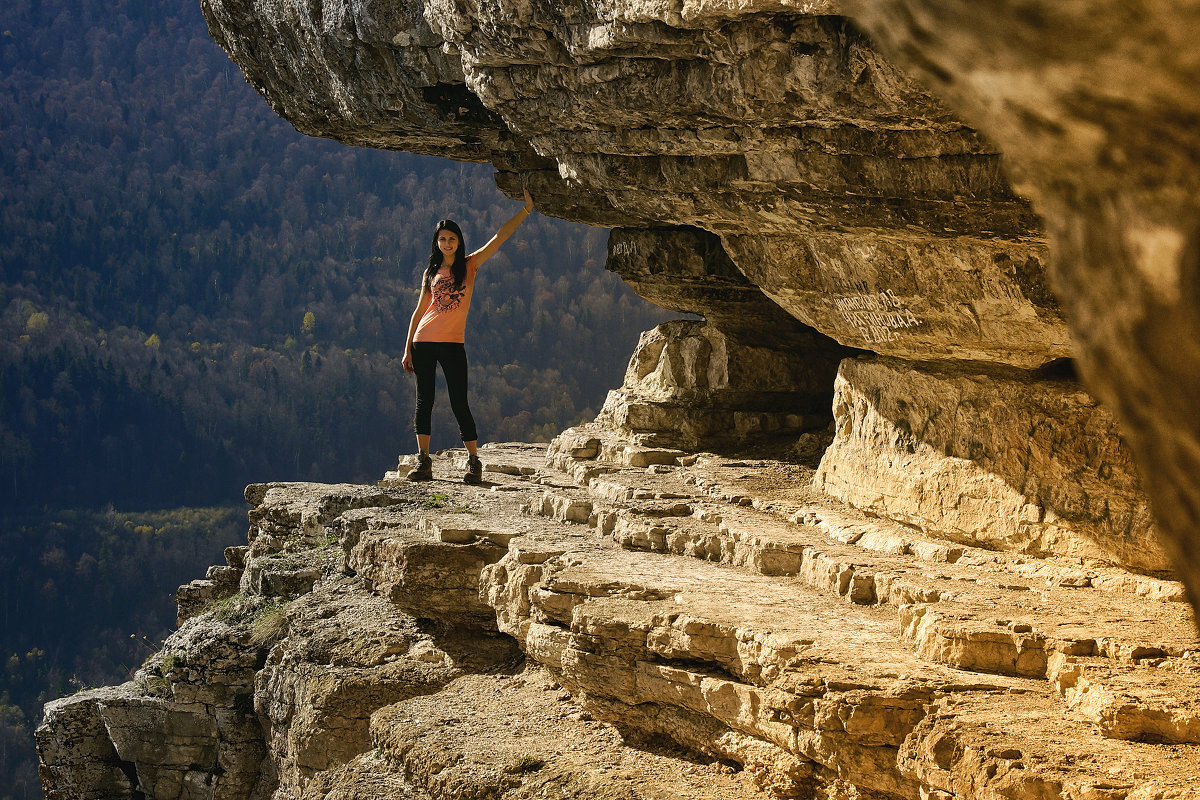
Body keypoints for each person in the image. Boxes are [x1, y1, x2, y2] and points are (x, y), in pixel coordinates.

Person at [402, 187, 534, 483]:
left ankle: (474, 462)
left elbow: (499, 237)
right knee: (424, 402)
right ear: (436, 243)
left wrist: (526, 210)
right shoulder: (430, 273)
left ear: (458, 241)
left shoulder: (469, 265)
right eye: (442, 239)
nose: (447, 243)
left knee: (459, 401)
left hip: (452, 344)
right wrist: (407, 348)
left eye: (451, 238)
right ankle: (423, 462)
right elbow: (418, 311)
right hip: (424, 341)